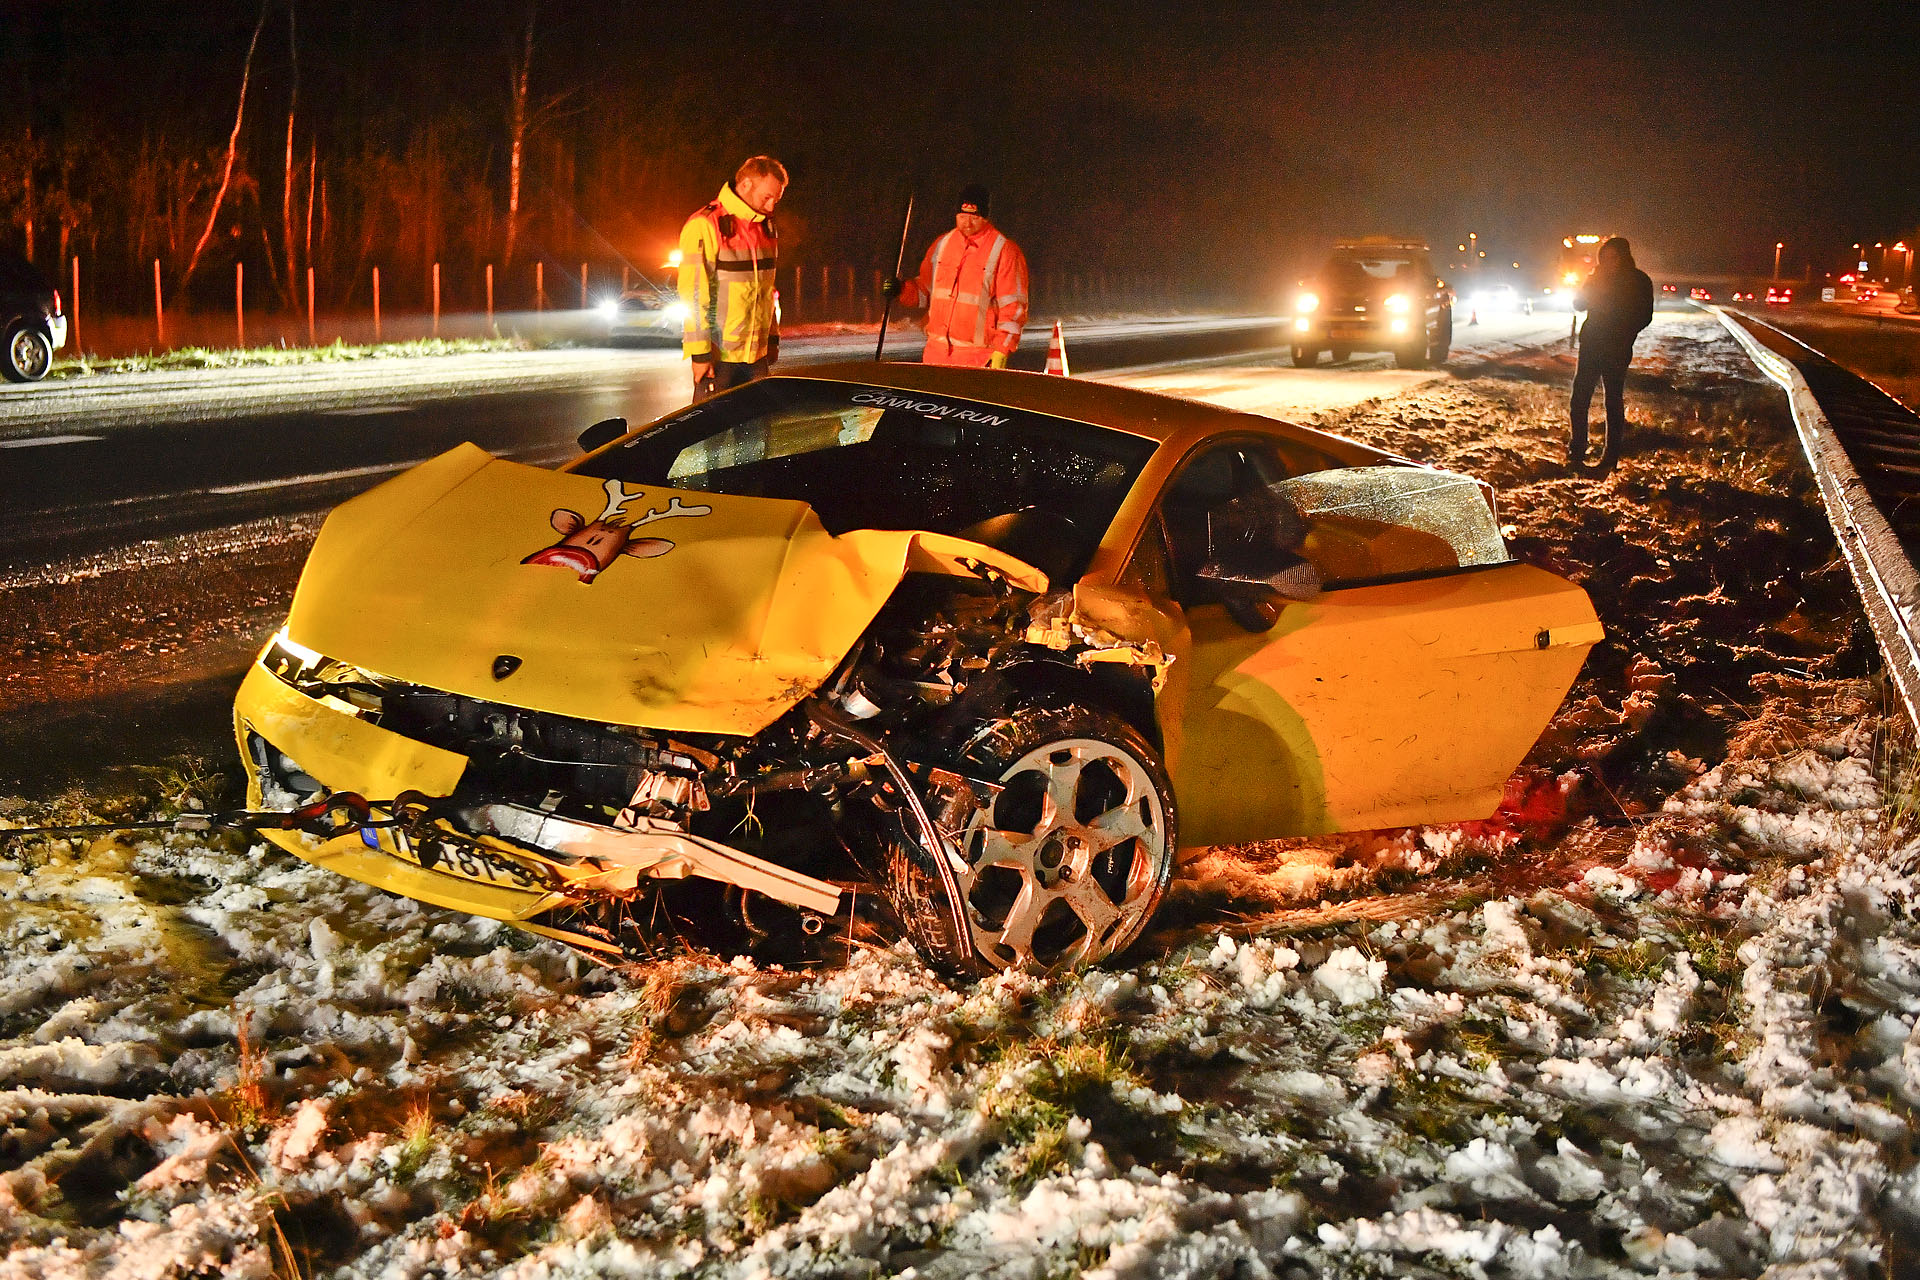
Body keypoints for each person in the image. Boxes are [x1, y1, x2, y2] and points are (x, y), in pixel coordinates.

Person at [883, 184, 1029, 367]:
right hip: (936, 356)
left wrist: (1002, 349)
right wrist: (901, 289)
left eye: (974, 217)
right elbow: (925, 291)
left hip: (978, 359)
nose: (967, 223)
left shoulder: (1004, 252)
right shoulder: (942, 245)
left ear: (985, 217)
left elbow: (1013, 308)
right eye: (962, 216)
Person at [679, 156, 786, 400]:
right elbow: (694, 295)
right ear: (746, 185)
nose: (771, 206)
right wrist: (700, 354)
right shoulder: (705, 224)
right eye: (767, 197)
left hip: (757, 358)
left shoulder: (765, 226)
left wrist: (772, 339)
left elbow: (767, 290)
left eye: (776, 200)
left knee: (760, 424)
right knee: (712, 423)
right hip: (719, 358)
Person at [1569, 236, 1654, 469]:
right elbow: (1579, 305)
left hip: (1617, 347)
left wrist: (1625, 332)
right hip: (1591, 344)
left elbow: (1645, 315)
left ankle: (1610, 456)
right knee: (1579, 398)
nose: (1608, 262)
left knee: (1613, 400)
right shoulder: (1596, 277)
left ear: (1623, 257)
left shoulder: (1638, 281)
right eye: (1604, 257)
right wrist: (1587, 288)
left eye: (1612, 257)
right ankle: (1577, 450)